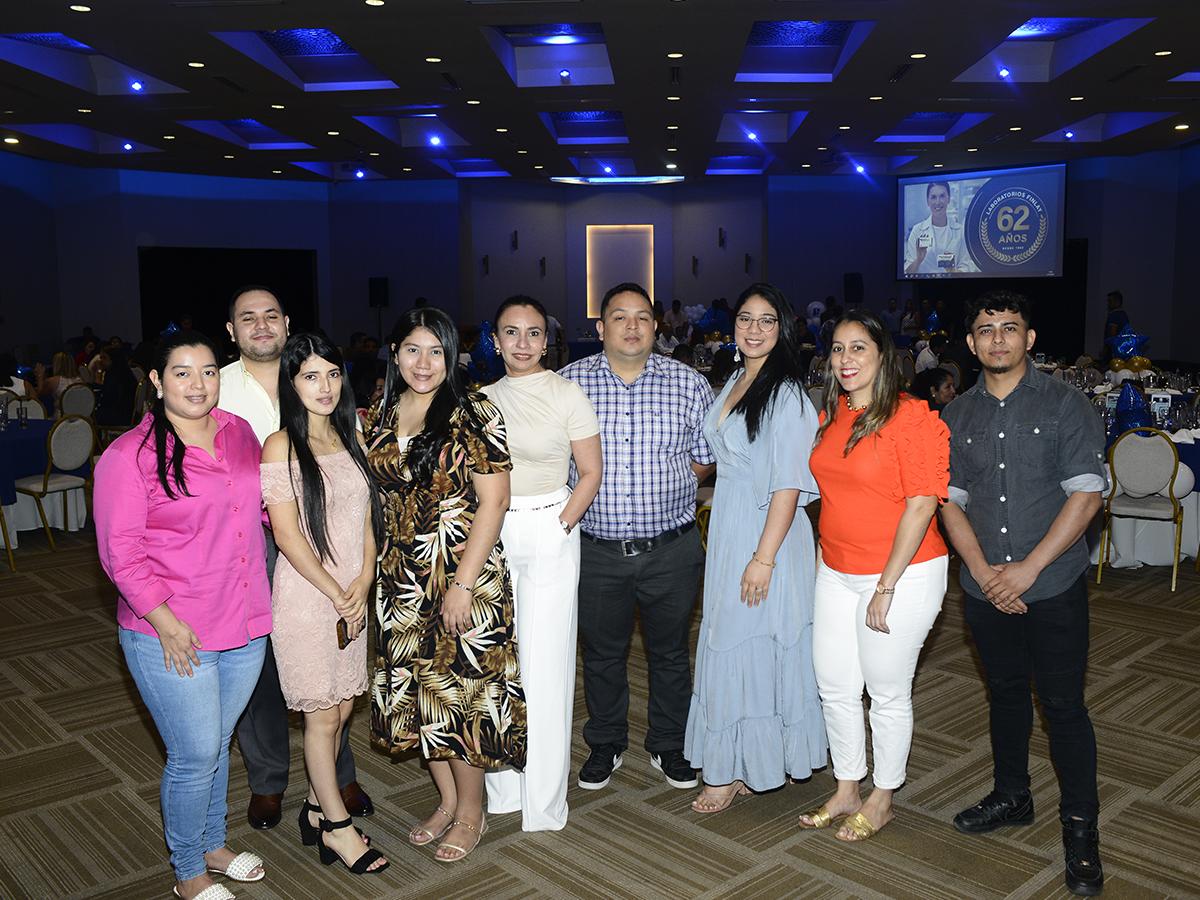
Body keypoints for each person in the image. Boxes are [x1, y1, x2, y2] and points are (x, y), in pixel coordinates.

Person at [939, 291, 1106, 897]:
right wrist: (985, 572)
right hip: (985, 590)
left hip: (1053, 584)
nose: (999, 339)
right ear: (971, 342)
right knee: (1006, 696)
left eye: (1011, 328)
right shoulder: (956, 415)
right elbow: (948, 502)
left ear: (1029, 338)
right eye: (987, 330)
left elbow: (1086, 495)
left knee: (1062, 707)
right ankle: (1013, 796)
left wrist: (1029, 569)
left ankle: (1081, 829)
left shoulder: (1068, 405)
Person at [94, 330, 271, 900]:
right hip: (175, 630)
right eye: (182, 372)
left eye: (209, 371)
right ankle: (189, 870)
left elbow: (260, 515)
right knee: (194, 753)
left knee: (217, 744)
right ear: (156, 380)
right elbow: (120, 554)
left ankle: (214, 843)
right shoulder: (130, 455)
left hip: (244, 619)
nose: (198, 384)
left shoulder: (240, 433)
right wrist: (167, 624)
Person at [366, 307, 526, 862]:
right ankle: (446, 800)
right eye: (413, 349)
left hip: (461, 574)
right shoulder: (382, 412)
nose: (424, 362)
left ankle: (471, 811)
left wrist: (461, 583)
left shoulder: (471, 409)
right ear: (394, 352)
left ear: (453, 355)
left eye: (437, 350)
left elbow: (495, 500)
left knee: (461, 697)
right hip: (400, 579)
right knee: (417, 695)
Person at [219, 286, 371, 831]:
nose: (261, 325)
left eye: (271, 316)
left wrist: (362, 576)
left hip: (338, 551)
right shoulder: (217, 385)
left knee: (336, 693)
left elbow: (364, 515)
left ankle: (329, 784)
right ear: (231, 329)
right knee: (259, 671)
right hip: (254, 545)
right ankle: (271, 783)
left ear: (287, 323)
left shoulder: (335, 409)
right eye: (247, 318)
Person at [560, 282, 715, 792]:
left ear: (656, 326)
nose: (632, 326)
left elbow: (703, 459)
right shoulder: (567, 385)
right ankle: (606, 741)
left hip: (670, 548)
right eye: (619, 317)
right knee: (602, 654)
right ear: (600, 328)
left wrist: (663, 492)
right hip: (595, 551)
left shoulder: (689, 384)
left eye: (643, 317)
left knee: (670, 653)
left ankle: (669, 744)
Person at [802, 309, 949, 842]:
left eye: (858, 348)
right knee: (835, 686)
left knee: (886, 692)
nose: (846, 360)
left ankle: (883, 796)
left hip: (903, 573)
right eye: (838, 349)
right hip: (836, 569)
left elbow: (920, 506)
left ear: (883, 355)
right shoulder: (832, 412)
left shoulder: (910, 417)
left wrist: (885, 586)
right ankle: (846, 787)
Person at [684, 283, 826, 812]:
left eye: (767, 320)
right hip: (730, 525)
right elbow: (724, 455)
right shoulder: (738, 379)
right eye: (746, 318)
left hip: (769, 532)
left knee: (752, 640)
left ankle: (732, 770)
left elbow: (789, 484)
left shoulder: (786, 392)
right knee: (736, 637)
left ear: (783, 328)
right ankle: (751, 763)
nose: (754, 328)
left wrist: (763, 557)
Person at [261, 333, 389, 876]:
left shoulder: (349, 435)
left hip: (351, 596)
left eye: (332, 374)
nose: (325, 386)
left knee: (340, 710)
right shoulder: (279, 445)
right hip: (308, 599)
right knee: (319, 717)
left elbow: (365, 519)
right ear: (292, 384)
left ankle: (316, 808)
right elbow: (288, 537)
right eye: (311, 376)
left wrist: (363, 580)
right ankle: (338, 829)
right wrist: (336, 591)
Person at [481, 296, 602, 832]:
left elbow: (590, 473)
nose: (523, 343)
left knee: (546, 668)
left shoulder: (567, 392)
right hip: (492, 530)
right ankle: (503, 790)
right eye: (512, 333)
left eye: (533, 333)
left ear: (546, 340)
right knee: (497, 663)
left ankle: (545, 804)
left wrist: (560, 525)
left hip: (551, 526)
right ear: (496, 340)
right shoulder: (479, 398)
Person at [904, 182, 978, 275]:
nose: (938, 202)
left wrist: (953, 271)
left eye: (942, 196)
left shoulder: (960, 231)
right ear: (928, 201)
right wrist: (918, 259)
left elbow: (967, 267)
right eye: (933, 197)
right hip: (923, 287)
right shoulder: (917, 230)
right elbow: (907, 272)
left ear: (948, 199)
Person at [1100, 290, 1129, 360]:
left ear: (1117, 302)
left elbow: (1112, 334)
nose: (1108, 303)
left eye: (1110, 301)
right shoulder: (1123, 314)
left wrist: (1105, 350)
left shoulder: (1115, 315)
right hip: (1122, 350)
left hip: (1114, 352)